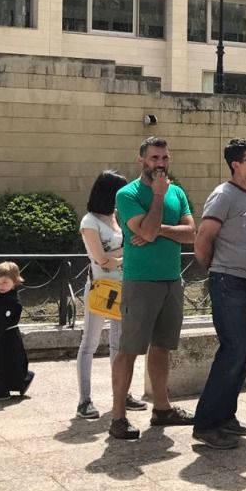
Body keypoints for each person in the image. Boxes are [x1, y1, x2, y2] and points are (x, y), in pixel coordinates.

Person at [109, 137, 196, 441]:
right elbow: (144, 231)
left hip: (171, 279)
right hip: (140, 282)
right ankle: (118, 417)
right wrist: (158, 197)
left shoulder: (178, 192)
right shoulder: (127, 194)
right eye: (154, 158)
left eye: (165, 158)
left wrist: (157, 230)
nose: (160, 163)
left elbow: (191, 234)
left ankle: (162, 409)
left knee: (162, 347)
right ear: (141, 160)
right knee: (129, 350)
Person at [191, 139, 246, 450]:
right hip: (229, 282)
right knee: (233, 351)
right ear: (235, 164)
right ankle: (206, 424)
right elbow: (203, 237)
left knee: (244, 352)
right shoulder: (223, 195)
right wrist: (216, 270)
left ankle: (226, 416)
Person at [74, 170, 146, 420]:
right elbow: (100, 259)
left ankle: (121, 394)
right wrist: (125, 254)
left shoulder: (116, 217)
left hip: (123, 286)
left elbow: (112, 255)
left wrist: (116, 257)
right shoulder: (89, 221)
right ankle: (84, 400)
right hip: (101, 289)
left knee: (119, 344)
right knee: (90, 343)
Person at [0, 261, 33, 399]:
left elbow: (2, 321)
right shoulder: (2, 296)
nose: (0, 286)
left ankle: (3, 389)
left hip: (6, 336)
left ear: (15, 281)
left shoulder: (10, 300)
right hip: (5, 335)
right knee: (7, 361)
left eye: (5, 282)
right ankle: (20, 381)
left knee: (3, 363)